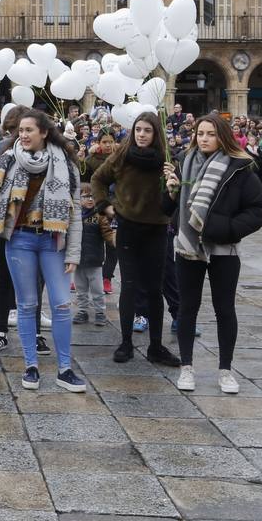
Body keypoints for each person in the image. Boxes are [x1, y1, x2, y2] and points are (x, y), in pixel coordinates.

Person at [0, 108, 86, 393]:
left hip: (53, 240)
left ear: (44, 132)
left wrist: (74, 254)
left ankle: (65, 369)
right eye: (21, 130)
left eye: (30, 130)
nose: (24, 135)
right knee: (26, 305)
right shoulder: (8, 159)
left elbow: (75, 213)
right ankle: (31, 366)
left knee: (62, 304)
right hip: (20, 239)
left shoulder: (66, 163)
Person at [162, 114, 262, 394]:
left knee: (225, 309)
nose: (204, 138)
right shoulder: (184, 163)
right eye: (200, 133)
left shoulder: (239, 167)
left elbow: (258, 210)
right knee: (187, 308)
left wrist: (228, 229)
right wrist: (171, 193)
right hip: (188, 247)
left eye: (210, 134)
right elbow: (169, 210)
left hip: (224, 249)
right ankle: (187, 367)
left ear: (222, 136)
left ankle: (225, 370)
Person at [90, 111, 180, 367]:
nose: (141, 134)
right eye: (138, 129)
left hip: (157, 230)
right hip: (128, 227)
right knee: (129, 285)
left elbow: (170, 203)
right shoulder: (122, 155)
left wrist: (174, 187)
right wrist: (104, 206)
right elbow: (97, 179)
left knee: (154, 288)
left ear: (155, 134)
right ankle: (126, 342)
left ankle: (156, 346)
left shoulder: (166, 160)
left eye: (147, 130)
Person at [73, 183, 109, 327]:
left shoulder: (99, 215)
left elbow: (107, 232)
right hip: (78, 259)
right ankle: (82, 311)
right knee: (80, 289)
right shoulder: (75, 215)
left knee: (97, 289)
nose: (89, 199)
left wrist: (114, 240)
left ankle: (100, 313)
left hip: (94, 260)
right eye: (85, 196)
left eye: (92, 196)